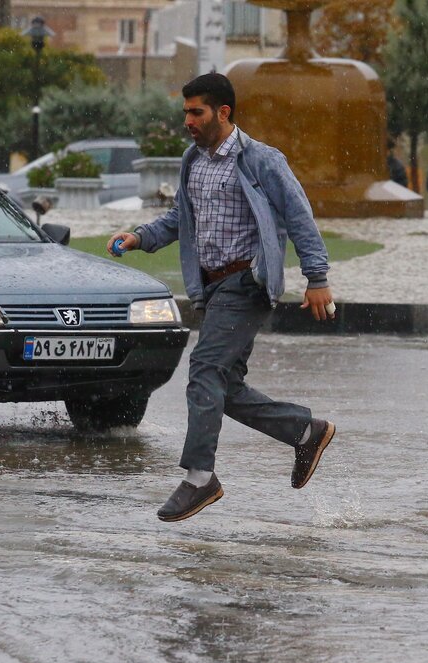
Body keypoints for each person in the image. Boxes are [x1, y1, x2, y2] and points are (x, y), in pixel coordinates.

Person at [106, 73, 337, 522]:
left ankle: (199, 477)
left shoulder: (261, 160)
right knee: (224, 388)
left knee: (204, 371)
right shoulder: (193, 161)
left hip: (245, 284)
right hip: (210, 289)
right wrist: (139, 237)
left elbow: (299, 216)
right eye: (186, 113)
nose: (188, 121)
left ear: (223, 112)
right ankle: (305, 431)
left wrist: (317, 277)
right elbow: (181, 217)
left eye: (197, 112)